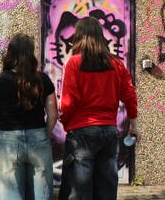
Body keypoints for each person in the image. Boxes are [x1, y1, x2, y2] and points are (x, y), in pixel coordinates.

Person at [58, 16, 140, 200]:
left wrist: (66, 122)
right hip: (109, 132)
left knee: (78, 193)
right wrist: (134, 125)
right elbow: (129, 96)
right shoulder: (117, 64)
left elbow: (67, 102)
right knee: (106, 191)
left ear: (78, 37)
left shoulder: (73, 63)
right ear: (100, 36)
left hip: (81, 133)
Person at [0, 33, 58, 200]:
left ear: (10, 53)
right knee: (42, 196)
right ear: (31, 53)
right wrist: (45, 133)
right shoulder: (43, 80)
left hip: (9, 143)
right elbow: (53, 114)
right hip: (39, 138)